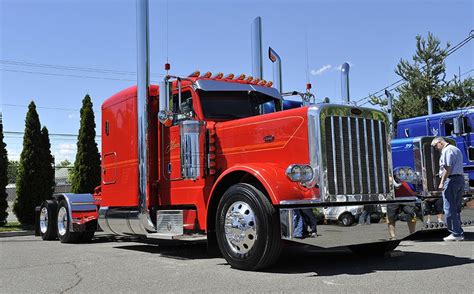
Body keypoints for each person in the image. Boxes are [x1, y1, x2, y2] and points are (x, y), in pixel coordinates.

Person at [431, 137, 465, 241]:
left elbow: (447, 168)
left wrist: (441, 182)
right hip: (460, 179)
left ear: (440, 142)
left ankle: (455, 233)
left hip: (451, 180)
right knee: (456, 207)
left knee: (449, 207)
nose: (436, 149)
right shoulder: (456, 149)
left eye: (435, 146)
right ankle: (459, 231)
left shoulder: (447, 150)